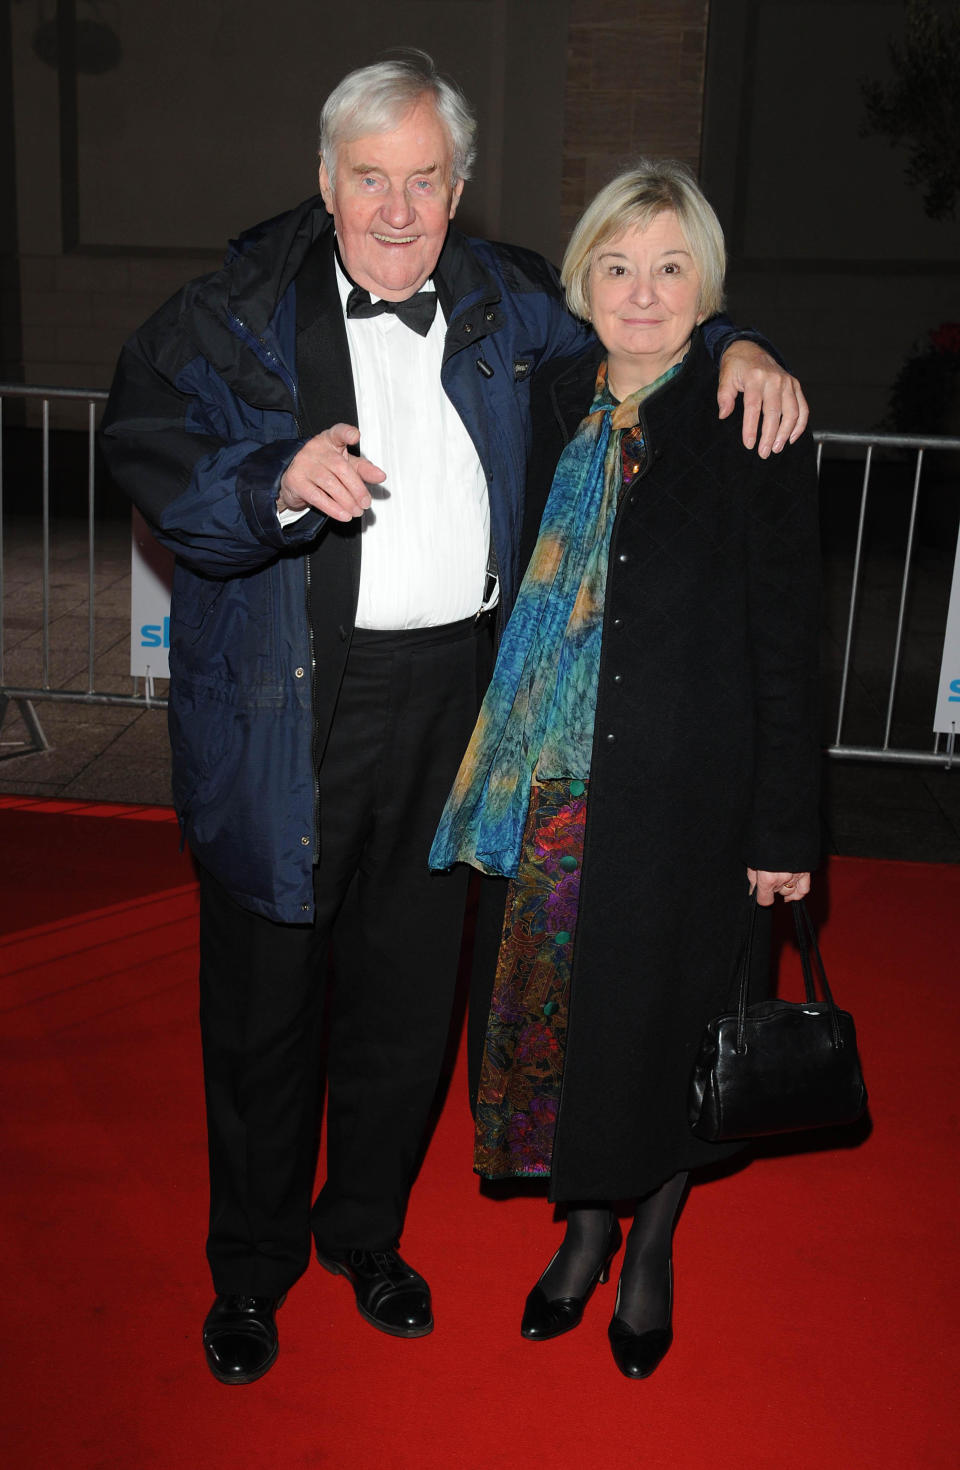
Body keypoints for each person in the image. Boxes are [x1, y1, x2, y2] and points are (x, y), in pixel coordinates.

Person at [100, 53, 807, 1385]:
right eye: (371, 177)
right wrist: (267, 475)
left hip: (458, 707)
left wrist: (736, 338)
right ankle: (249, 1270)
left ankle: (363, 1233)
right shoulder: (235, 310)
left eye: (426, 180)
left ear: (460, 191)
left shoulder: (504, 300)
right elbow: (140, 436)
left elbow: (638, 316)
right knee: (263, 1009)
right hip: (287, 701)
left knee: (406, 1003)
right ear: (325, 180)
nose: (398, 206)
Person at [430, 158, 821, 1380]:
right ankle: (583, 1226)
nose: (643, 293)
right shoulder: (547, 399)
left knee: (667, 1026)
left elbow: (786, 646)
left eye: (671, 268)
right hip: (545, 788)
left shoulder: (749, 417)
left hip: (688, 797)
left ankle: (647, 1244)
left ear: (706, 287)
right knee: (565, 1023)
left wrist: (784, 831)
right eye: (618, 265)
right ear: (582, 280)